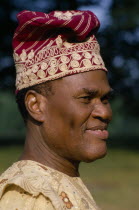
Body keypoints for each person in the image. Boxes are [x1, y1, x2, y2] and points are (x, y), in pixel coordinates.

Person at [0, 10, 112, 210]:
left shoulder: (57, 184)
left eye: (105, 99)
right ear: (36, 106)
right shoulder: (30, 196)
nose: (104, 113)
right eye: (86, 99)